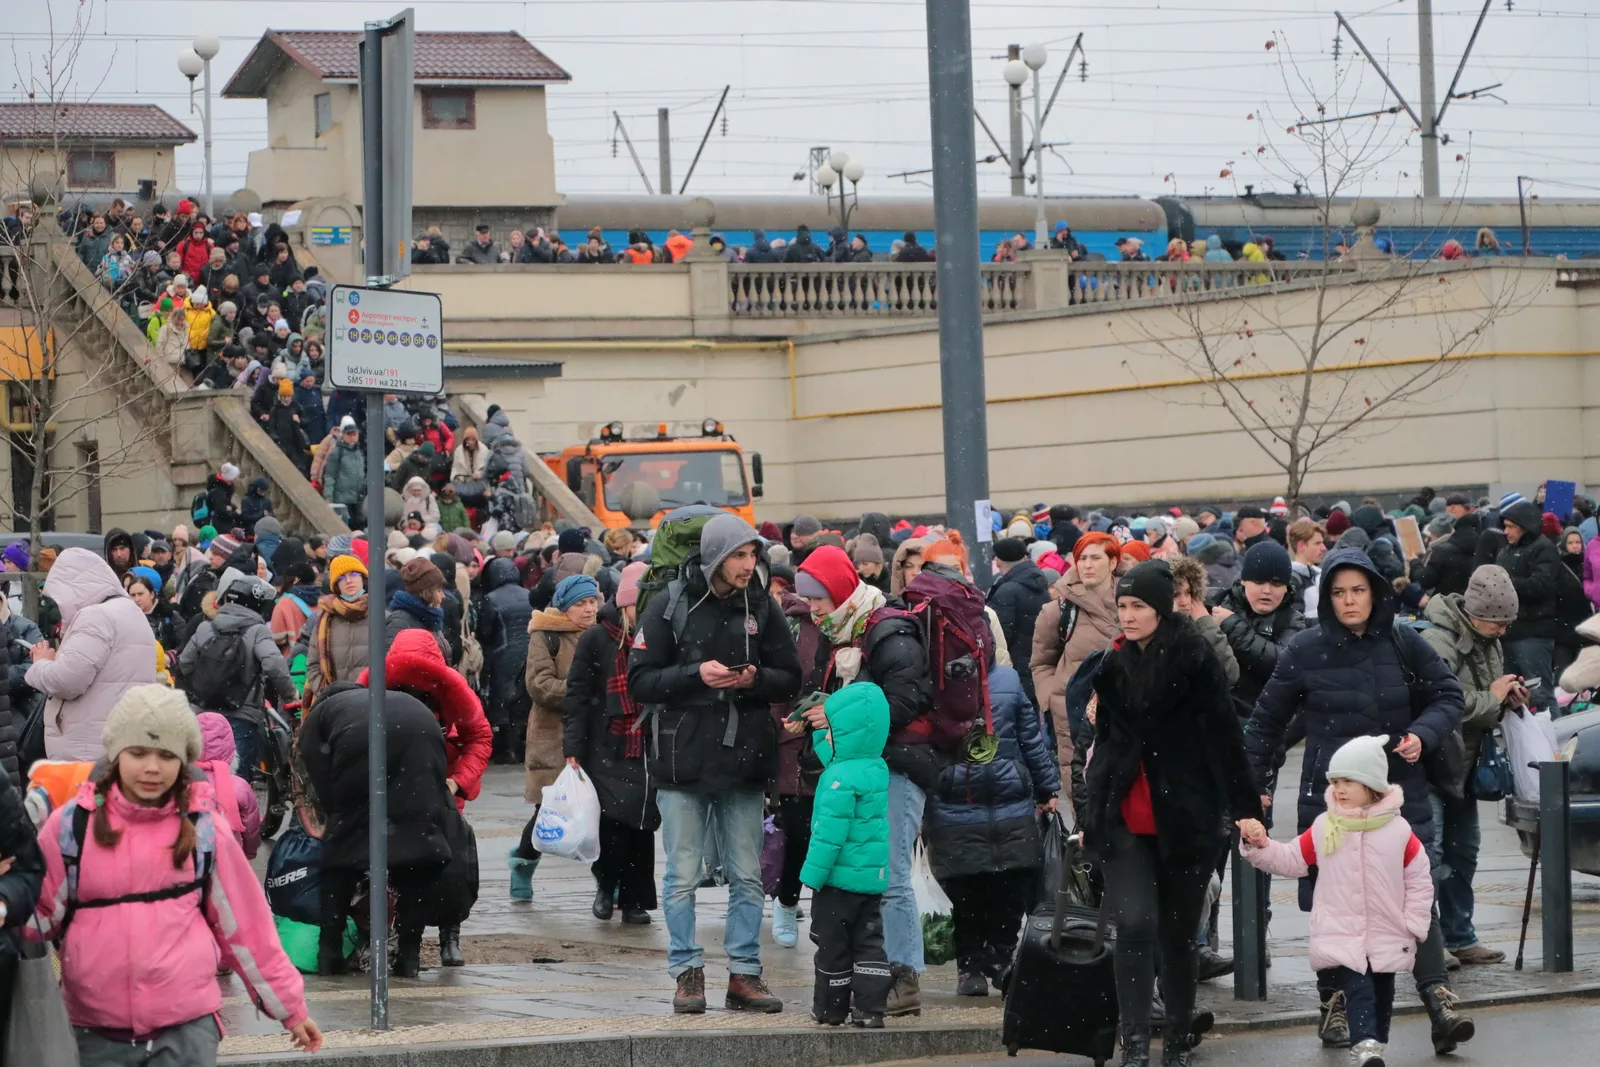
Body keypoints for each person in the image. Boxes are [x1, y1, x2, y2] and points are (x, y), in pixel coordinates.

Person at [1244, 547, 1474, 1056]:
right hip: (1330, 799)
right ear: (1326, 597)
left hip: (1397, 792)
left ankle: (1438, 1000)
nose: (1350, 601)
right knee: (1332, 900)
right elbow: (1264, 723)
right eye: (1339, 592)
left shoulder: (1402, 640)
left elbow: (1447, 696)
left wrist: (1422, 735)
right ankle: (1336, 1005)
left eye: (1359, 590)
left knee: (1417, 887)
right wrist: (1253, 788)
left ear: (1375, 592)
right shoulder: (1305, 649)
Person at [32, 685, 321, 1059]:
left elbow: (247, 930)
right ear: (116, 753)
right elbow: (35, 913)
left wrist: (290, 1008)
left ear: (184, 761)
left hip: (186, 1032)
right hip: (92, 1034)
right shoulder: (71, 827)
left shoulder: (205, 830)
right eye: (138, 753)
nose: (152, 767)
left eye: (167, 755)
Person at [1082, 562, 1263, 1067]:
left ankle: (1178, 1039)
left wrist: (1246, 807)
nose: (1128, 615)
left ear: (1162, 608)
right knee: (1135, 925)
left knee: (1179, 935)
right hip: (1124, 818)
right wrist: (1090, 813)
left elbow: (1226, 739)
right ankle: (1135, 1041)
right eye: (1122, 605)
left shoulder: (1194, 659)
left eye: (1138, 605)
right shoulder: (1111, 665)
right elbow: (1103, 747)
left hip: (1185, 816)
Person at [627, 514, 802, 1014]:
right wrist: (694, 675)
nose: (750, 565)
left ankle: (744, 973)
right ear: (715, 558)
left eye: (753, 555)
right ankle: (687, 972)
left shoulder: (761, 606)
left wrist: (753, 679)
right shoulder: (670, 604)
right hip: (681, 760)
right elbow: (639, 680)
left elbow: (790, 676)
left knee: (747, 875)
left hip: (744, 758)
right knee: (682, 875)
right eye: (740, 556)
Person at [791, 544, 932, 1013]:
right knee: (867, 872)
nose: (812, 609)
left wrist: (837, 722)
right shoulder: (841, 630)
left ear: (840, 591)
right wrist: (812, 713)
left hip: (897, 765)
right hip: (861, 767)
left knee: (888, 872)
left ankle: (904, 976)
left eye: (818, 599)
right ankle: (872, 980)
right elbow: (833, 693)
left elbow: (906, 701)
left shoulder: (887, 631)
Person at [1237, 735, 1434, 1067]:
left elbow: (1419, 878)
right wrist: (1260, 844)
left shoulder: (1398, 831)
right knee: (1358, 988)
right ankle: (1364, 1045)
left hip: (1387, 929)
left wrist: (1414, 922)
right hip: (1343, 930)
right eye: (1335, 782)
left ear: (1371, 785)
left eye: (1348, 782)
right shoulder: (1325, 826)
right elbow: (1291, 859)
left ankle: (1375, 1043)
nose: (1339, 789)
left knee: (1383, 991)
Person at [299, 668, 459, 978]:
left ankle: (329, 952)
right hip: (423, 730)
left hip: (362, 739)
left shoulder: (320, 716)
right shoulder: (388, 699)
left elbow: (322, 782)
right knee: (416, 848)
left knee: (343, 856)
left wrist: (341, 820)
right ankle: (409, 955)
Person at [925, 653, 1059, 997]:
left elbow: (1030, 739)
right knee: (969, 886)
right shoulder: (934, 679)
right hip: (961, 800)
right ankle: (973, 962)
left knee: (1007, 882)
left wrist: (1047, 787)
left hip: (1005, 800)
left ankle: (997, 959)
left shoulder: (1006, 682)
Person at [366, 628, 492, 966]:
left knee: (450, 870)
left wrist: (455, 784)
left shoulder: (454, 698)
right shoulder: (382, 695)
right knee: (404, 870)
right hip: (396, 796)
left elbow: (479, 738)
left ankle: (451, 934)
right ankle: (408, 941)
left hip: (443, 797)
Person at [1417, 566, 1521, 968]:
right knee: (1430, 857)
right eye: (1496, 623)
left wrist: (1506, 697)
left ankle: (1461, 936)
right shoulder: (1437, 641)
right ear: (1475, 613)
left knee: (1463, 854)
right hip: (1434, 765)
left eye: (1506, 624)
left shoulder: (1485, 639)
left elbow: (1480, 697)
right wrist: (1492, 697)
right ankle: (1429, 945)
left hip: (1464, 763)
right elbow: (1443, 703)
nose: (1502, 632)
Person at [563, 564, 657, 924]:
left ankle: (635, 901)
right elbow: (578, 696)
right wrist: (573, 746)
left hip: (646, 743)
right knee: (612, 823)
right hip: (606, 742)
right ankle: (606, 887)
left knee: (642, 825)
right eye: (637, 605)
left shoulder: (656, 635)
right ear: (623, 603)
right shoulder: (597, 638)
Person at [799, 682, 893, 1028]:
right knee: (869, 944)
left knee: (832, 946)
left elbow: (829, 835)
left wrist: (811, 876)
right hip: (869, 881)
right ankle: (871, 1009)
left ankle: (830, 1008)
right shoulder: (875, 767)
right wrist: (824, 735)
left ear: (843, 729)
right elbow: (841, 753)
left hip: (837, 881)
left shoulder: (838, 778)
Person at [26, 548, 158, 761]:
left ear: (73, 589)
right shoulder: (129, 611)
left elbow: (66, 681)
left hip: (87, 750)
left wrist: (41, 663)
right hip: (121, 741)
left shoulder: (96, 616)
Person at [514, 574, 600, 885]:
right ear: (565, 607)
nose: (589, 609)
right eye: (581, 603)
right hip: (553, 736)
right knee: (548, 811)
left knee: (597, 810)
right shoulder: (546, 635)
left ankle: (608, 884)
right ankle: (522, 864)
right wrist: (585, 691)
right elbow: (540, 686)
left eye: (593, 601)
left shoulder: (602, 634)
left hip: (594, 735)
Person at [179, 569, 297, 783]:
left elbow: (185, 663)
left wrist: (205, 684)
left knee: (200, 773)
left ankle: (205, 813)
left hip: (202, 713)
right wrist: (290, 694)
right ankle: (233, 815)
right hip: (241, 714)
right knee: (235, 779)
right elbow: (274, 665)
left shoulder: (206, 627)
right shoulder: (257, 631)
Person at [1031, 532, 1125, 790]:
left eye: (1095, 558)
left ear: (1113, 562)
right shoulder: (1058, 610)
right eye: (1082, 558)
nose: (1087, 564)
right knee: (1083, 795)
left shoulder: (1133, 602)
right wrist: (1052, 698)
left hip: (1125, 712)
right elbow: (1041, 662)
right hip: (1072, 715)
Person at [1495, 498, 1564, 714]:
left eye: (1511, 527)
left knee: (1540, 694)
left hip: (1534, 633)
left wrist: (1504, 582)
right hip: (1508, 633)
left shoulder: (1543, 548)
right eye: (1505, 526)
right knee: (1512, 696)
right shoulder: (1505, 550)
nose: (1506, 532)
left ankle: (1557, 740)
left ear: (1525, 527)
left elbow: (1541, 586)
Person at [479, 557, 535, 771]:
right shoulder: (528, 595)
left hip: (503, 655)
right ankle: (518, 746)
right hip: (528, 652)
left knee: (503, 701)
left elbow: (485, 631)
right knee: (522, 701)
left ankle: (507, 748)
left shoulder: (491, 599)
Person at [986, 537, 1050, 707]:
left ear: (998, 561)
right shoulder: (1037, 581)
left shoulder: (1006, 591)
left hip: (1015, 668)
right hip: (1036, 663)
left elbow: (1000, 636)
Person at [195, 710, 263, 860]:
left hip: (189, 860)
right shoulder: (239, 786)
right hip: (229, 861)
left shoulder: (181, 782)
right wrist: (249, 853)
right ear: (231, 749)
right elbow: (250, 827)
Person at [303, 553, 370, 702]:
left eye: (353, 574)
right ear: (336, 585)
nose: (348, 580)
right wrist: (327, 694)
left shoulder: (381, 616)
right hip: (338, 704)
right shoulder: (325, 620)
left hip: (373, 703)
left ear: (362, 578)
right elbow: (314, 664)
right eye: (341, 577)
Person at [386, 557, 451, 661]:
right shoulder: (399, 623)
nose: (443, 595)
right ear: (426, 593)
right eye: (438, 590)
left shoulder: (429, 618)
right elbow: (392, 667)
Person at [1421, 513, 1479, 598]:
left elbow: (1426, 581)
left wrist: (1415, 564)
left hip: (1444, 603)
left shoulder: (1442, 551)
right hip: (1469, 605)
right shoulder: (1482, 550)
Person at [1287, 518, 1327, 618]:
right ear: (1301, 546)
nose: (1323, 548)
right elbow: (1295, 622)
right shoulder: (1291, 580)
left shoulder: (1319, 574)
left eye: (1322, 543)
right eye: (1317, 543)